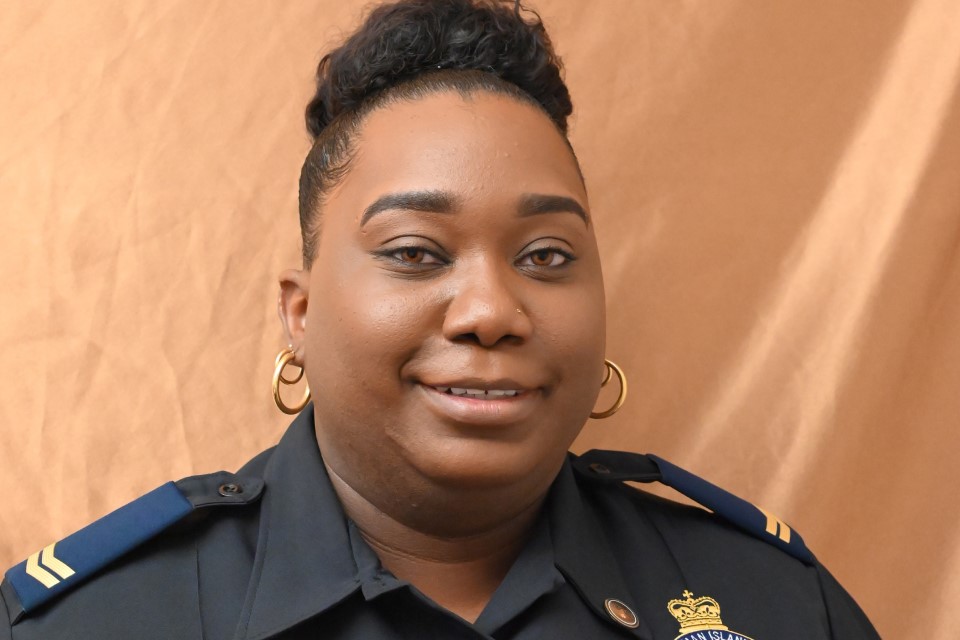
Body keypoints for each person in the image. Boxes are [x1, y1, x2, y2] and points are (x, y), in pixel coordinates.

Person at [1, 1, 879, 638]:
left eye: (546, 257)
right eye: (416, 252)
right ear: (299, 316)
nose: (492, 312)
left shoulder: (776, 606)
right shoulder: (95, 620)